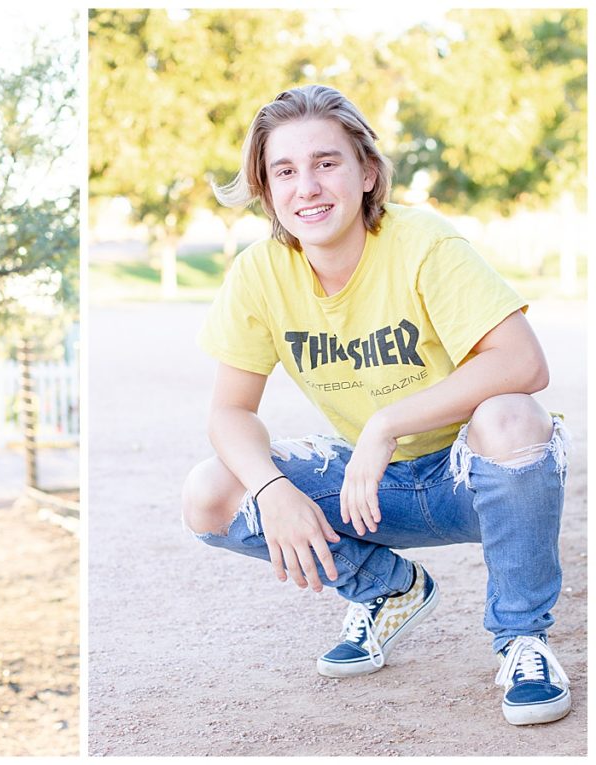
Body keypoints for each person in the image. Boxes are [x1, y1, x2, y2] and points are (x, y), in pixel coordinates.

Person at [181, 85, 571, 726]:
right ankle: (387, 589)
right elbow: (229, 412)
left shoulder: (424, 242)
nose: (306, 185)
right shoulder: (259, 272)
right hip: (374, 490)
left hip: (468, 475)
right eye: (285, 170)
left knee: (513, 416)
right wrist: (273, 488)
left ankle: (524, 640)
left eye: (325, 163)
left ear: (366, 172)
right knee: (212, 490)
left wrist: (388, 422)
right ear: (268, 190)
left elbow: (524, 363)